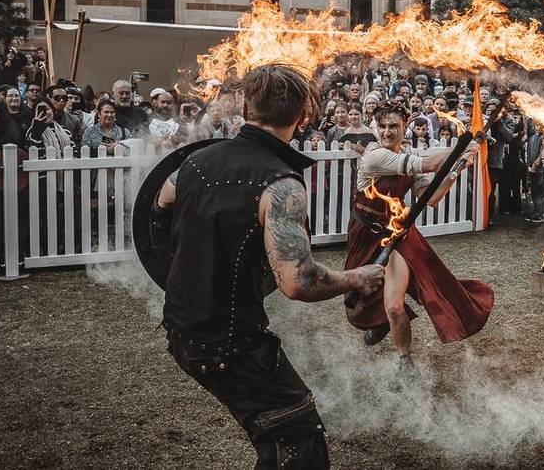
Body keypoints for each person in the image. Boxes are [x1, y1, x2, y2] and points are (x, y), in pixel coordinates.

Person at [161, 64, 384, 468]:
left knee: (278, 430)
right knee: (297, 438)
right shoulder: (281, 186)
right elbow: (299, 281)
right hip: (229, 343)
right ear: (302, 117)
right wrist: (360, 277)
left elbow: (161, 204)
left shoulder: (194, 164)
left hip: (181, 329)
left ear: (247, 106)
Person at [344, 102, 492, 373]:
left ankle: (404, 361)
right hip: (365, 234)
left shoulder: (405, 153)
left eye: (394, 126)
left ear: (405, 126)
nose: (387, 132)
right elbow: (427, 163)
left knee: (393, 304)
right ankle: (377, 323)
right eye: (383, 126)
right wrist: (463, 148)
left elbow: (431, 199)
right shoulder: (374, 155)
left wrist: (455, 171)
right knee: (362, 296)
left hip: (395, 233)